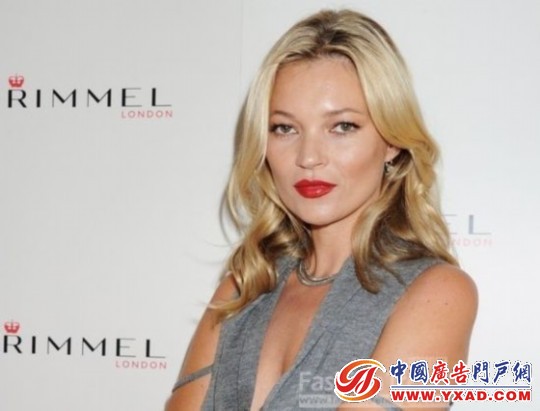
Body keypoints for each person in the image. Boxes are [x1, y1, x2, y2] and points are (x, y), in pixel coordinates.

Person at [165, 9, 477, 411]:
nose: (309, 157)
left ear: (392, 141)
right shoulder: (244, 287)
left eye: (342, 126)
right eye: (285, 128)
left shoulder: (438, 293)